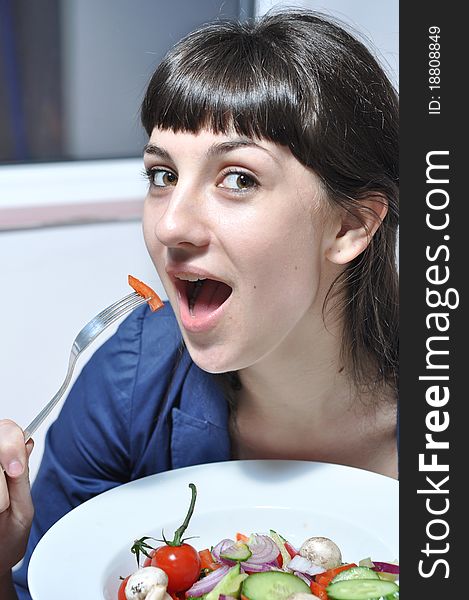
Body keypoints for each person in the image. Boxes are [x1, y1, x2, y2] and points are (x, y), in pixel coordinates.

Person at [0, 8, 398, 599]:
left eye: (238, 179)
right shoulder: (125, 378)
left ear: (349, 225)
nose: (171, 225)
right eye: (162, 175)